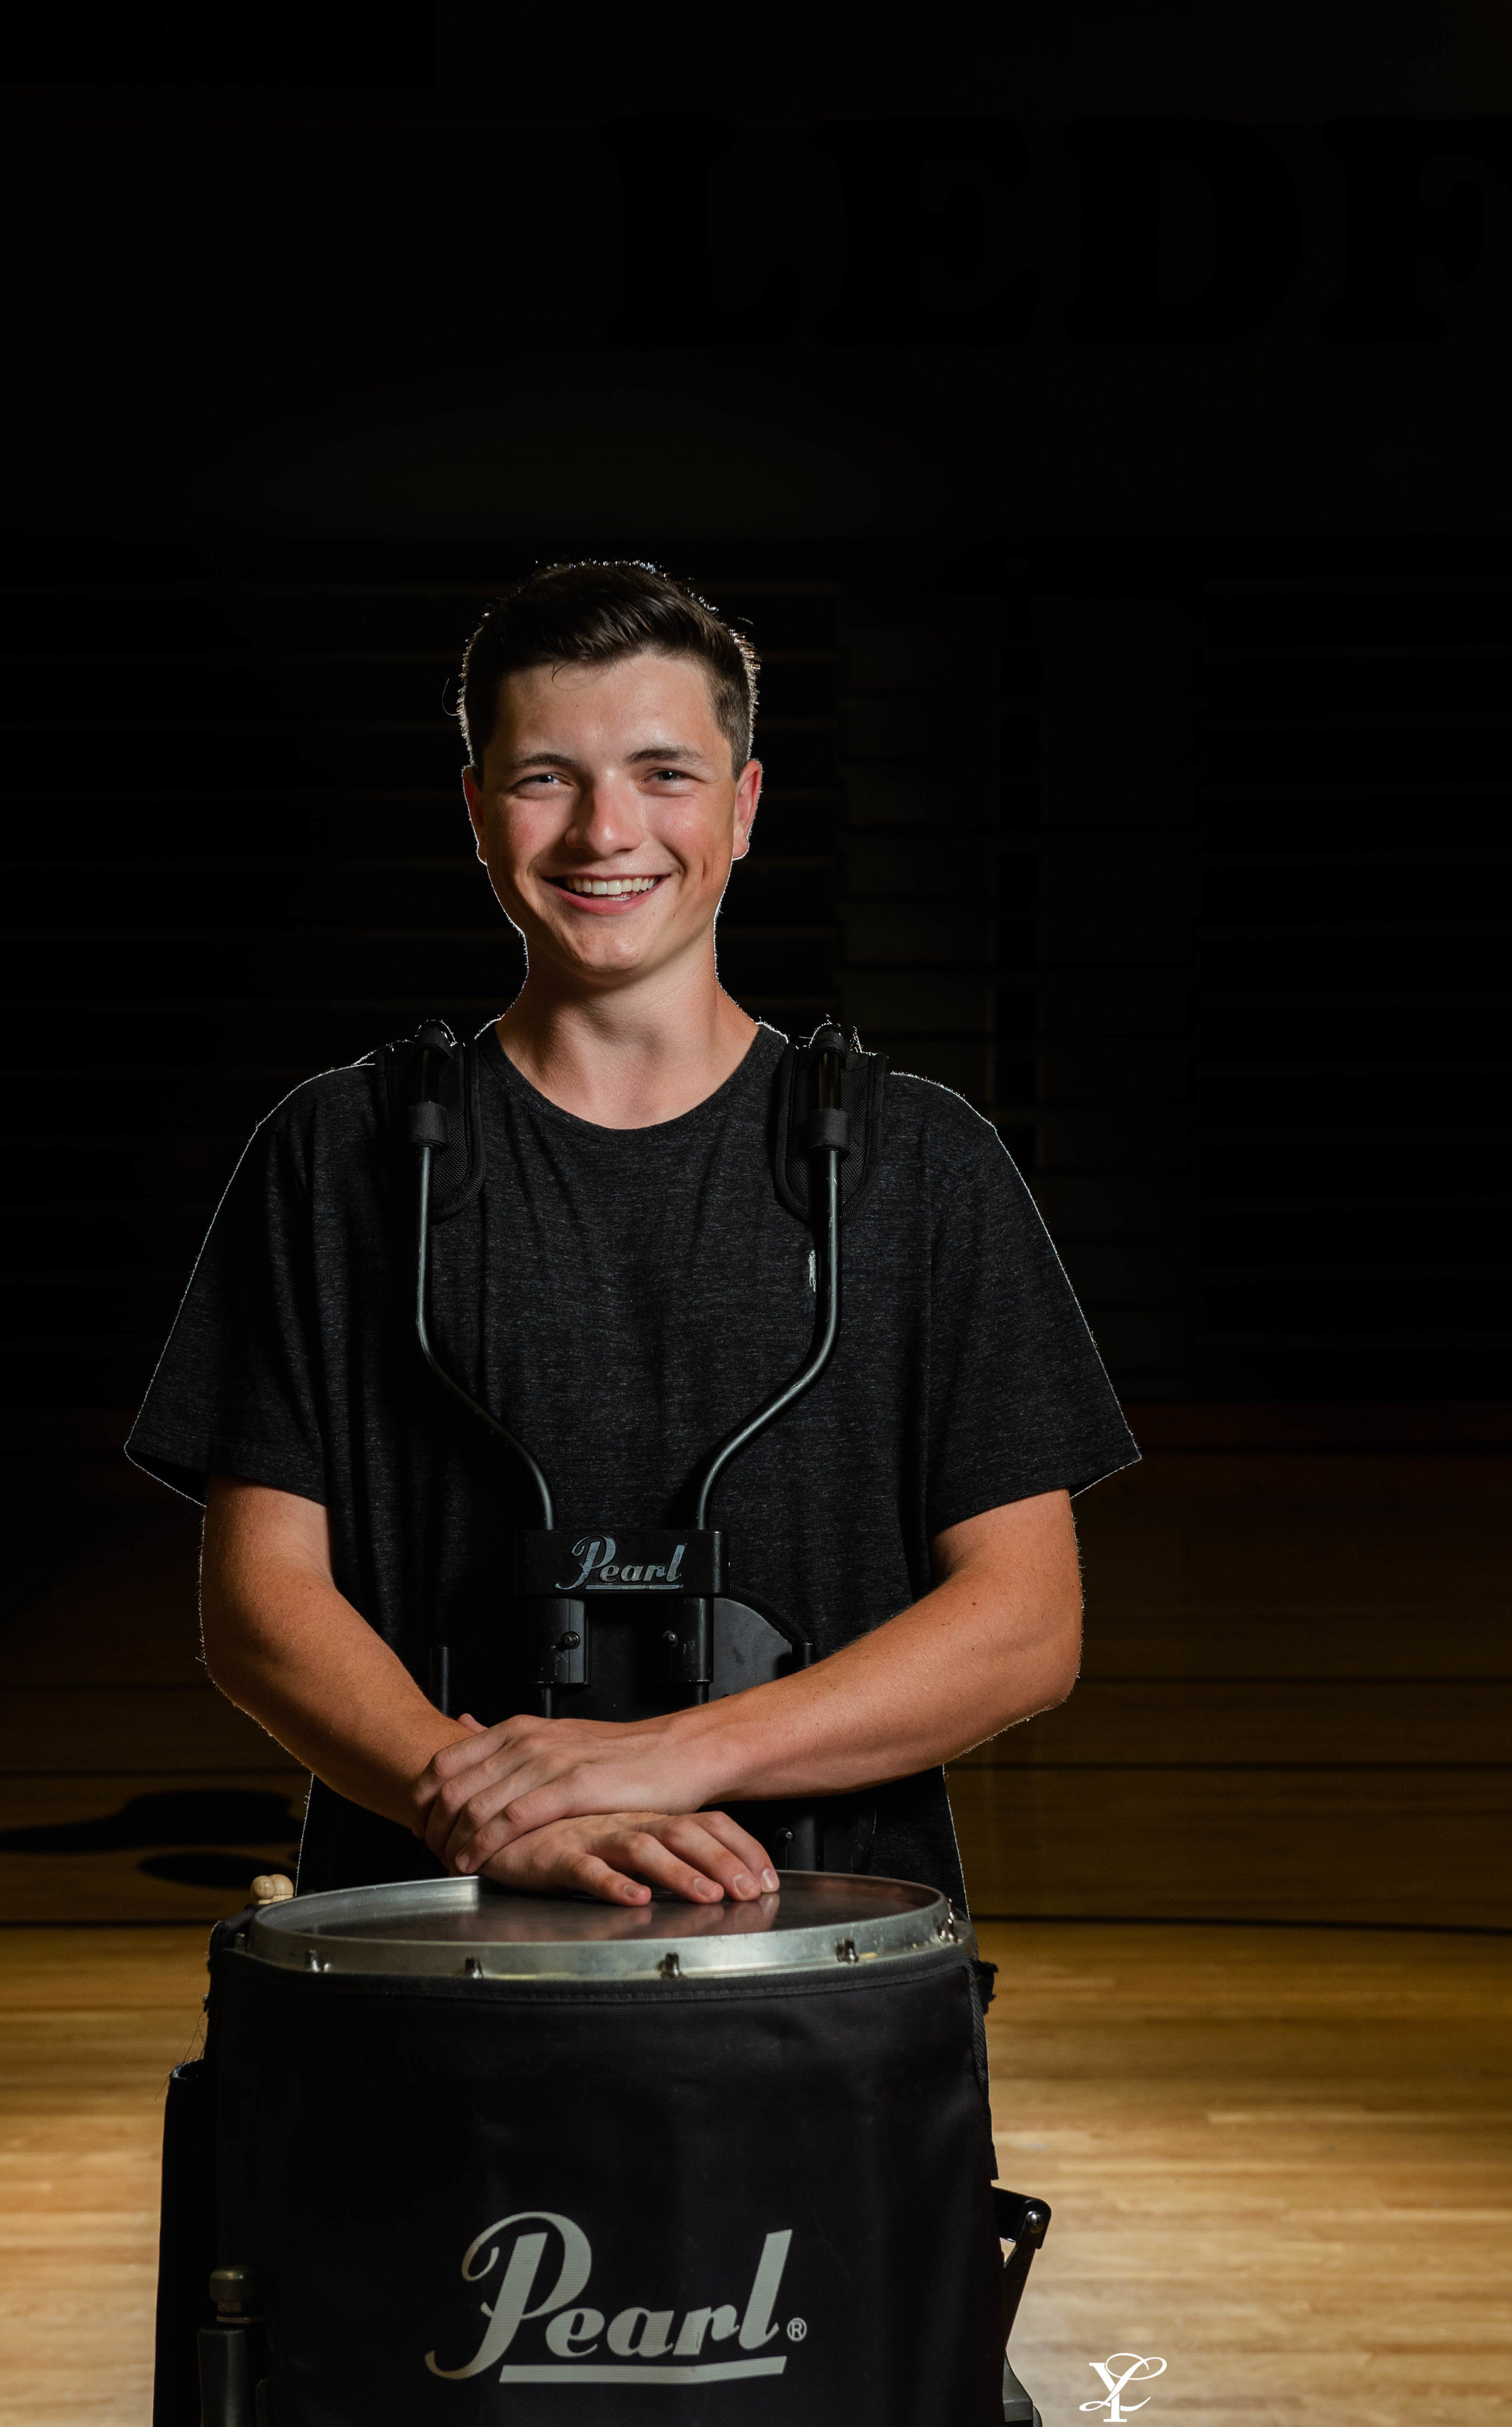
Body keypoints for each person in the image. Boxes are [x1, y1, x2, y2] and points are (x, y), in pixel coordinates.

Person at [127, 561, 1136, 1914]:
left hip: (826, 1982)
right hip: (433, 1965)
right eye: (549, 776)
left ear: (747, 802)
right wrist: (492, 1817)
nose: (608, 830)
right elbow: (262, 1605)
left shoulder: (924, 1162)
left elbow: (1025, 1625)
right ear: (477, 810)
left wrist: (667, 1758)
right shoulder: (337, 1155)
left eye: (665, 772)